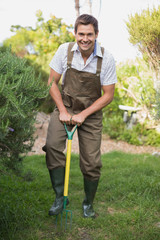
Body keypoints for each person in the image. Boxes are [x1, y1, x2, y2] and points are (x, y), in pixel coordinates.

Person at [43, 14, 117, 218]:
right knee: (51, 147)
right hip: (65, 106)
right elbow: (51, 83)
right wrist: (64, 111)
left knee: (91, 162)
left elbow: (108, 94)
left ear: (96, 35)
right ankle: (60, 197)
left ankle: (88, 203)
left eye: (89, 34)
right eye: (81, 34)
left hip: (90, 114)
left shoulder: (106, 58)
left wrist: (83, 114)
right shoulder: (64, 51)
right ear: (75, 33)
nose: (85, 39)